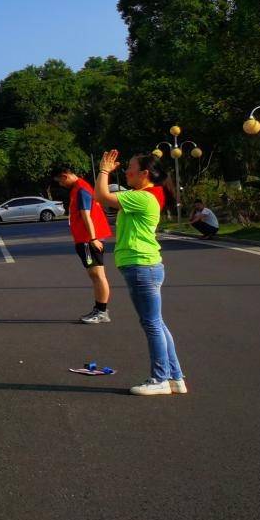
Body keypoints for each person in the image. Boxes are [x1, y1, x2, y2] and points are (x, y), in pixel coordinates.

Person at [94, 151, 186, 397]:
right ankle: (175, 377)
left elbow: (101, 196)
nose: (126, 171)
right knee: (157, 323)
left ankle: (160, 379)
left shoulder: (143, 197)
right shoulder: (143, 196)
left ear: (145, 173)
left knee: (152, 324)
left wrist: (104, 170)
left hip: (141, 266)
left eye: (131, 168)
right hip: (145, 265)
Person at [53, 164, 114, 324]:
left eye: (60, 181)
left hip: (88, 240)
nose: (60, 184)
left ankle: (101, 311)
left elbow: (86, 215)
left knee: (97, 275)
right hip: (86, 239)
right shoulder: (79, 188)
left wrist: (93, 238)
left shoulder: (81, 189)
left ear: (65, 175)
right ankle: (100, 309)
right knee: (95, 275)